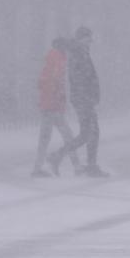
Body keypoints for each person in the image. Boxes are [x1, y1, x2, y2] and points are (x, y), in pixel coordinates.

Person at [48, 26, 109, 178]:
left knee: (89, 133)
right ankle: (62, 158)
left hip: (84, 99)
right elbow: (80, 78)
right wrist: (87, 96)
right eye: (88, 38)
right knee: (89, 133)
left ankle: (66, 158)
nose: (90, 41)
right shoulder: (78, 54)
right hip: (83, 100)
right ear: (81, 38)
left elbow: (85, 77)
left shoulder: (81, 52)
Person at [31, 38, 82, 177]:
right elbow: (56, 81)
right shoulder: (57, 59)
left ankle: (38, 168)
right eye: (65, 46)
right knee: (68, 136)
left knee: (46, 138)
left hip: (49, 105)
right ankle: (76, 166)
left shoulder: (51, 59)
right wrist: (59, 100)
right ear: (61, 46)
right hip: (53, 107)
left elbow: (43, 83)